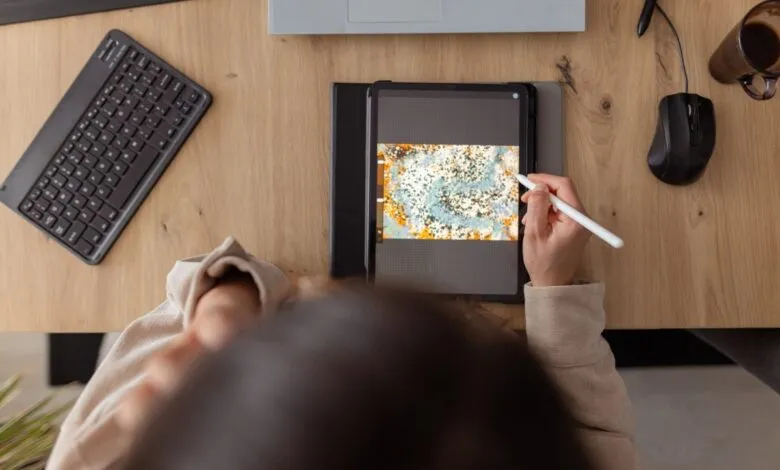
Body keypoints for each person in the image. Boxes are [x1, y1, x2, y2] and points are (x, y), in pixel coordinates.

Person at [47, 174, 638, 470]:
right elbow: (600, 442)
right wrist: (555, 292)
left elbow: (201, 281)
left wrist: (223, 304)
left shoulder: (105, 449)